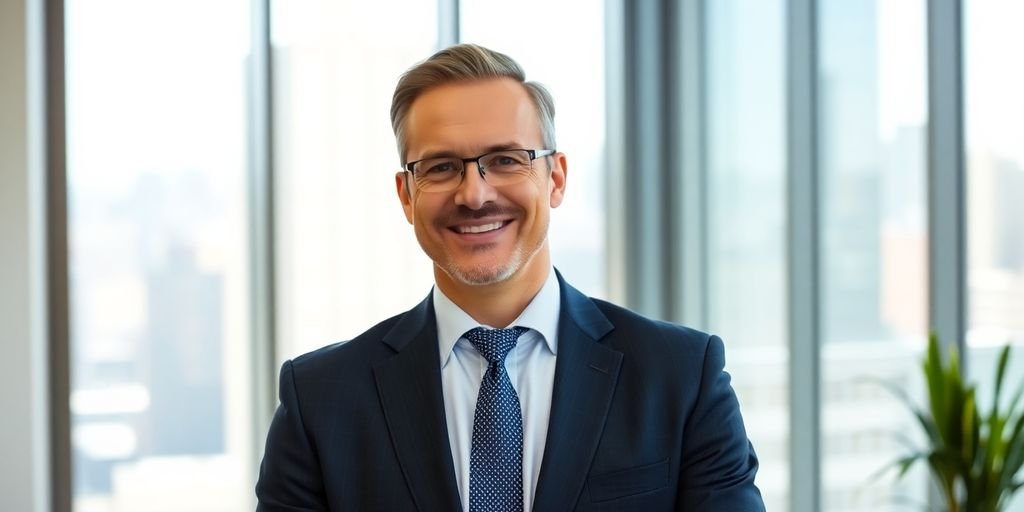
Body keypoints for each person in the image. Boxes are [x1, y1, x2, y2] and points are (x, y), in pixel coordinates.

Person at [256, 43, 765, 512]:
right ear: (406, 195)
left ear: (556, 178)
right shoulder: (320, 402)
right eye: (441, 167)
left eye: (505, 160)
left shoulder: (680, 378)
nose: (474, 194)